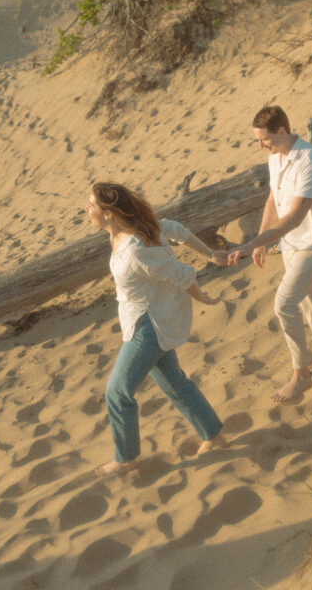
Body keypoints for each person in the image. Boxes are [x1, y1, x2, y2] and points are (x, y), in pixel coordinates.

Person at [87, 181, 227, 477]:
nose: (87, 209)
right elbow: (175, 229)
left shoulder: (136, 249)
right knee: (173, 382)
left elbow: (182, 275)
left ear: (109, 213)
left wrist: (204, 296)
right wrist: (208, 253)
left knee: (117, 391)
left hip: (150, 325)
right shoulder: (126, 234)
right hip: (140, 318)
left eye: (92, 205)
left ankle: (125, 459)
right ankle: (213, 435)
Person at [227, 105, 312, 403]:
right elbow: (273, 199)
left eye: (264, 139)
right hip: (290, 243)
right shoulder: (275, 157)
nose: (260, 146)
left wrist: (251, 245)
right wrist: (261, 240)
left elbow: (294, 217)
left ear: (282, 131)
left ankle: (301, 374)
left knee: (284, 304)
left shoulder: (311, 161)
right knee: (307, 300)